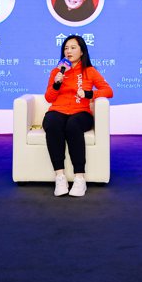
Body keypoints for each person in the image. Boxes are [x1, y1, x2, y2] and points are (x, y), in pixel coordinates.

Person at [43, 35, 113, 197]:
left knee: (73, 125)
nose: (68, 51)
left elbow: (109, 91)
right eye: (66, 48)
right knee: (52, 122)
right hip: (58, 110)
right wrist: (56, 84)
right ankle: (60, 176)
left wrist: (89, 94)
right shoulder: (56, 71)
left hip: (81, 113)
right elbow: (49, 98)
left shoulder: (90, 71)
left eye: (73, 48)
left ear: (82, 51)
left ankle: (79, 178)